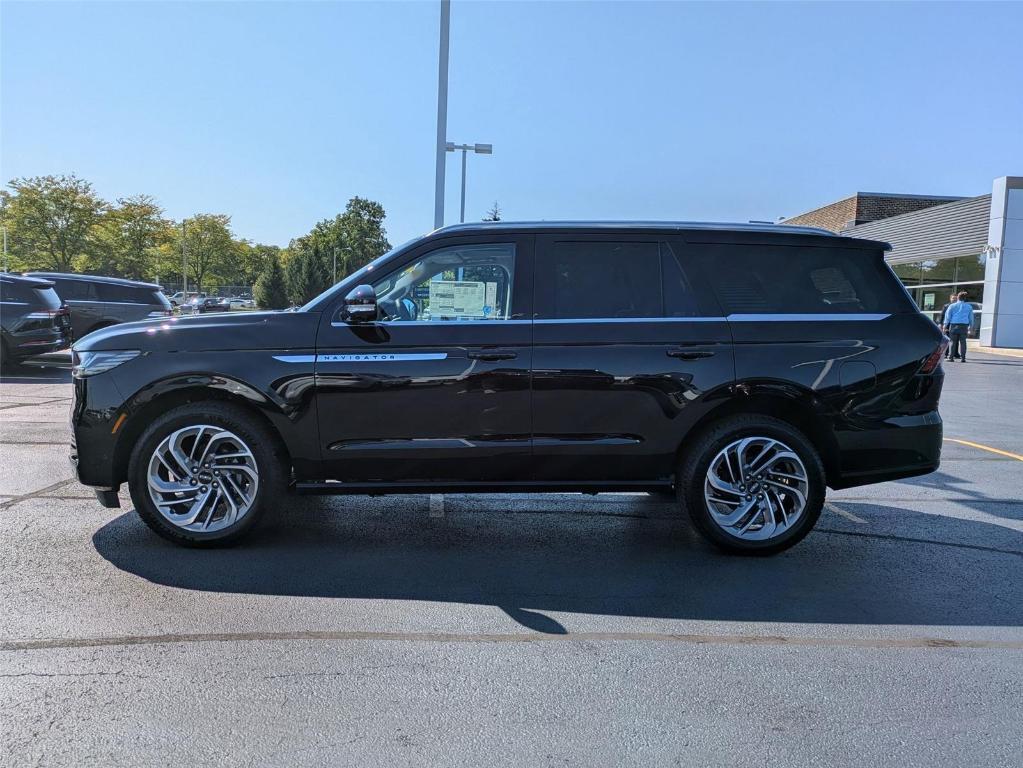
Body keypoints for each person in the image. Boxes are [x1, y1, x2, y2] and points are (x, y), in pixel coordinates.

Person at [943, 291, 974, 363]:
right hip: (964, 326)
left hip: (954, 325)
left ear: (957, 298)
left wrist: (945, 325)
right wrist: (971, 326)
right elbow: (971, 318)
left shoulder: (952, 306)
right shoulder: (969, 307)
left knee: (952, 342)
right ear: (965, 298)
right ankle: (963, 358)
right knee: (963, 342)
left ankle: (951, 358)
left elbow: (948, 316)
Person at [938, 292, 958, 360]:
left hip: (955, 324)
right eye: (953, 298)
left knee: (955, 339)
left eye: (956, 298)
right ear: (950, 299)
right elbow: (942, 315)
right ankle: (946, 354)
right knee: (947, 339)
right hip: (947, 325)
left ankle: (955, 353)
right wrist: (941, 323)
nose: (954, 299)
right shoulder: (946, 306)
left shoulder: (958, 306)